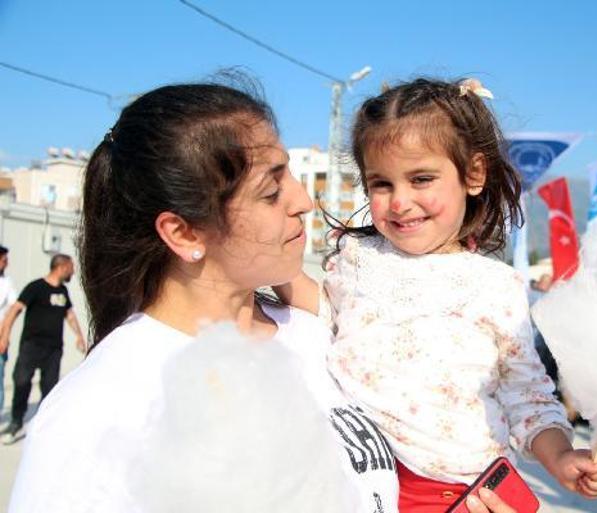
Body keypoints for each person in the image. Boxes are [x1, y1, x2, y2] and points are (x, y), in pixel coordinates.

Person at [9, 81, 518, 513]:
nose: (302, 202)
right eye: (271, 193)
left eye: (291, 176)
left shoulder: (321, 334)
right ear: (185, 234)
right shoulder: (102, 407)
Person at [275, 78, 597, 512]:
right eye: (381, 184)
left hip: (459, 493)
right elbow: (322, 314)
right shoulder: (357, 258)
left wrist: (562, 457)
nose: (399, 202)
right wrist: (266, 268)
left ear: (473, 174)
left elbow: (525, 397)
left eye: (421, 179)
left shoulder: (495, 287)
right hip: (357, 473)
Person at [0, 254, 85, 445]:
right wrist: (4, 335)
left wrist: (79, 335)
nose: (73, 271)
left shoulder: (63, 291)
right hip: (31, 346)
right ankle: (16, 422)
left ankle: (42, 426)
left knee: (49, 388)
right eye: (71, 267)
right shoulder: (35, 287)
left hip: (53, 349)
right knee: (21, 382)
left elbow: (69, 315)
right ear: (61, 267)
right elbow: (15, 310)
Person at [0, 245, 17, 422]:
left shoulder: (7, 283)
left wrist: (5, 335)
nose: (7, 263)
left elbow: (13, 309)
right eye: (4, 260)